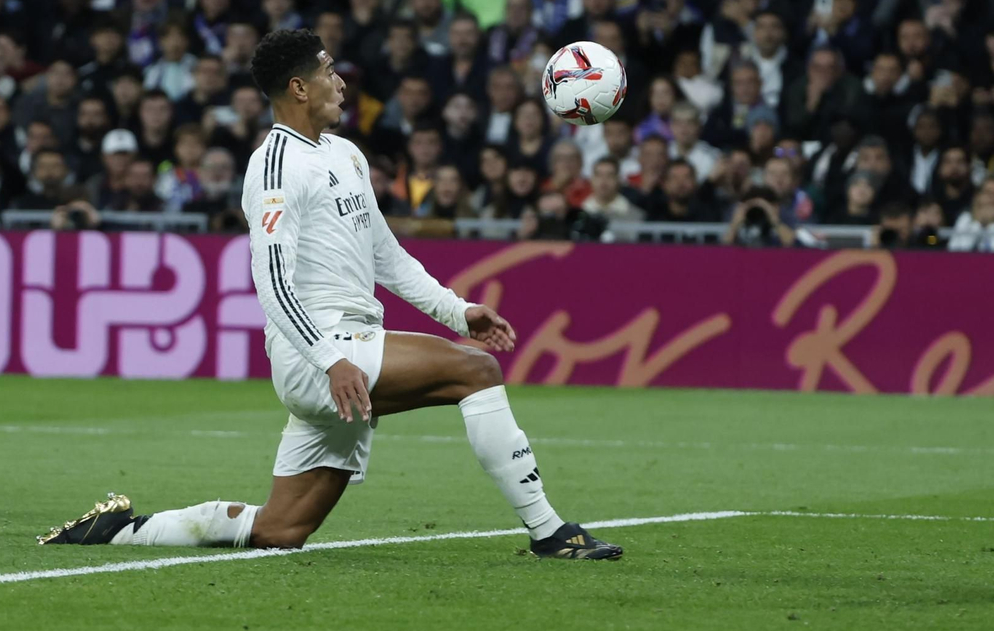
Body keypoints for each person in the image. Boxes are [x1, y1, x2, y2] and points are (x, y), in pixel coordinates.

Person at [39, 29, 620, 561]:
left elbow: (386, 256)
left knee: (280, 529)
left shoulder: (345, 155)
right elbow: (272, 281)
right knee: (477, 371)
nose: (340, 82)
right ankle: (549, 531)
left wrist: (457, 309)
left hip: (349, 349)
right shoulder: (272, 167)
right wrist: (330, 358)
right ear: (298, 87)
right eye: (327, 71)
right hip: (319, 353)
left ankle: (119, 529)